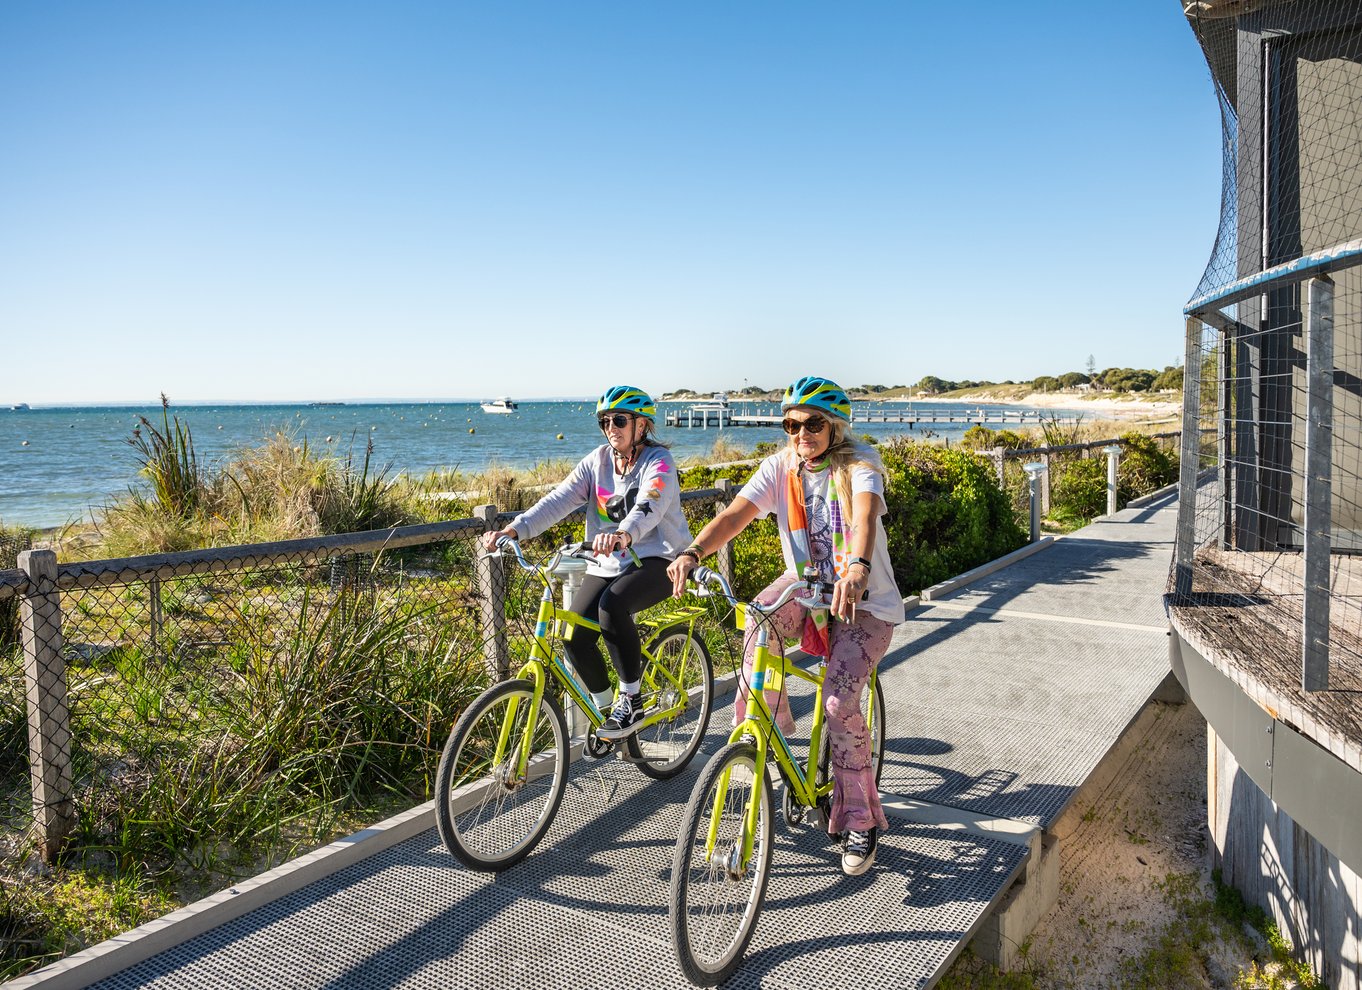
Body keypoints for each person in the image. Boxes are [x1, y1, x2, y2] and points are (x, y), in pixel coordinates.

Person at [667, 375, 905, 876]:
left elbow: (862, 520)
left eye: (814, 423)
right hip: (807, 587)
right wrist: (692, 552)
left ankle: (860, 819)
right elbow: (735, 515)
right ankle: (762, 736)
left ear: (835, 427)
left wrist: (858, 567)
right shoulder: (780, 468)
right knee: (758, 627)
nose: (802, 433)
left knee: (839, 703)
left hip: (866, 602)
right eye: (792, 424)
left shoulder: (861, 464)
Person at [483, 386, 692, 739]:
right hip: (607, 561)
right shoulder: (597, 461)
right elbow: (559, 499)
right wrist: (515, 530)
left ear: (642, 426)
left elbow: (650, 503)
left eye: (620, 420)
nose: (612, 426)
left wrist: (624, 534)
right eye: (605, 421)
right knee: (574, 635)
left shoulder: (659, 462)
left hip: (659, 556)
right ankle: (610, 713)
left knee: (613, 606)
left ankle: (632, 700)